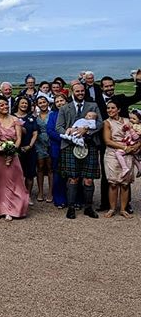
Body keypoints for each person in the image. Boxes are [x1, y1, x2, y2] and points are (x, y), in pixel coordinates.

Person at [56, 82, 102, 220]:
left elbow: (100, 123)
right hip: (70, 145)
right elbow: (59, 127)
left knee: (88, 179)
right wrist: (69, 132)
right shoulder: (64, 108)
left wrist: (86, 130)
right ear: (72, 91)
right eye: (78, 91)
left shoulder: (92, 106)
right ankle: (71, 207)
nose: (80, 93)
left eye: (82, 91)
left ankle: (88, 207)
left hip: (89, 145)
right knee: (73, 178)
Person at [0, 97, 29, 220]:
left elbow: (19, 138)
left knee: (13, 181)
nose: (5, 107)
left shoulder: (15, 120)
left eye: (6, 104)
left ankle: (10, 209)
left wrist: (13, 150)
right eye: (1, 105)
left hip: (11, 153)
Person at [102, 100, 138, 219]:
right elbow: (107, 140)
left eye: (112, 108)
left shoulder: (128, 121)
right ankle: (112, 208)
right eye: (108, 108)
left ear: (118, 109)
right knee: (113, 183)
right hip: (112, 153)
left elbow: (138, 135)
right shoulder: (107, 123)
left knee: (125, 183)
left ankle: (123, 209)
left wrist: (136, 146)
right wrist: (124, 147)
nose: (110, 110)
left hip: (128, 153)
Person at [14, 96, 38, 204]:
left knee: (29, 174)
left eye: (26, 103)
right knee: (16, 174)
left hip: (29, 149)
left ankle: (28, 196)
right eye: (22, 103)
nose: (24, 105)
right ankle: (17, 195)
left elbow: (35, 133)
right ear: (18, 104)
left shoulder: (31, 118)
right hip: (15, 149)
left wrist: (30, 146)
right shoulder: (11, 117)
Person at [46, 94, 67, 208]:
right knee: (58, 174)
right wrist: (64, 137)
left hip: (71, 147)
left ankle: (73, 198)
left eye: (62, 100)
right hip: (57, 147)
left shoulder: (72, 113)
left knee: (72, 174)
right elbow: (49, 130)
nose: (60, 103)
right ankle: (59, 199)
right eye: (57, 101)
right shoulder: (53, 115)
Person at [34, 96, 53, 203]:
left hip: (50, 142)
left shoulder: (53, 114)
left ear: (47, 103)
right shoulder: (35, 116)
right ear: (37, 105)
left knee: (50, 168)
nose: (42, 104)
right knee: (40, 167)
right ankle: (40, 191)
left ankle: (50, 192)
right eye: (40, 103)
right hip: (39, 143)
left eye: (44, 102)